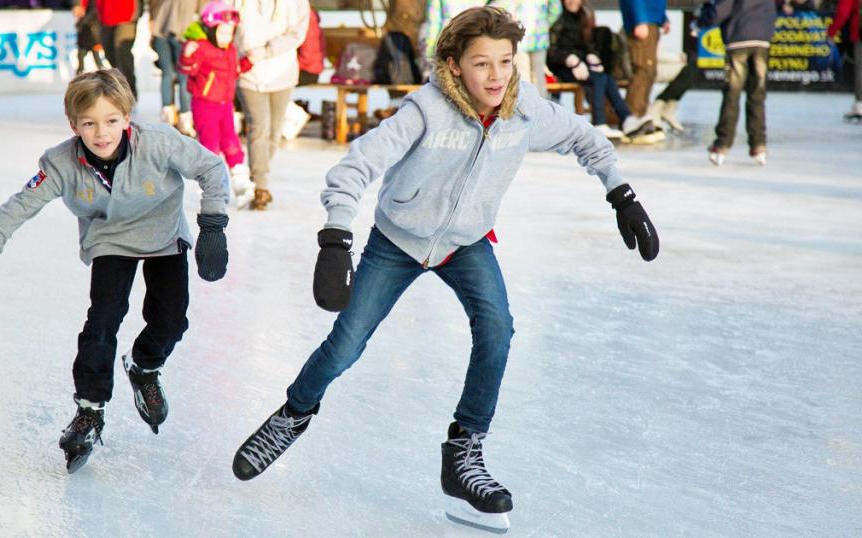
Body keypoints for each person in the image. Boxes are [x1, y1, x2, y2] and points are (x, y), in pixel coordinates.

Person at [230, 6, 658, 534]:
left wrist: (620, 192)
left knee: (497, 330)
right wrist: (337, 238)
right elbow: (355, 165)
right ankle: (292, 414)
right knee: (346, 344)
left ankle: (464, 451)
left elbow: (584, 138)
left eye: (505, 61)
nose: (497, 75)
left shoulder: (524, 111)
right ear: (454, 66)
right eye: (482, 64)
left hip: (466, 242)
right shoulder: (425, 110)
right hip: (397, 240)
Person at [0, 69, 231, 473]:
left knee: (171, 320)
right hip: (109, 240)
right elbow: (20, 205)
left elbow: (212, 169)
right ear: (74, 125)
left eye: (110, 121)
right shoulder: (59, 163)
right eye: (89, 123)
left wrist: (212, 224)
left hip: (163, 236)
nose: (101, 133)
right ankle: (89, 409)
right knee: (102, 322)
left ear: (127, 117)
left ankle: (144, 365)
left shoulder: (159, 142)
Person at [181, 0, 256, 208]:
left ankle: (242, 184)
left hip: (225, 106)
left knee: (232, 143)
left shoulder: (231, 50)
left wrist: (246, 63)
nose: (226, 37)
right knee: (211, 146)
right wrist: (188, 55)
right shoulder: (202, 48)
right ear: (210, 29)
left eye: (230, 33)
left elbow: (233, 72)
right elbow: (188, 69)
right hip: (205, 106)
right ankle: (215, 189)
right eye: (222, 33)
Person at [235, 0, 309, 210]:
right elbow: (220, 17)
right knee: (259, 128)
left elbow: (297, 33)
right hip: (248, 71)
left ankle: (259, 171)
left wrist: (267, 50)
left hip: (282, 71)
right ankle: (260, 186)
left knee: (275, 133)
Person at [548, 0, 654, 139]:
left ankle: (627, 118)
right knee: (599, 79)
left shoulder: (583, 15)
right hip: (561, 66)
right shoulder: (557, 17)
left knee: (607, 78)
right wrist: (570, 60)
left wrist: (592, 56)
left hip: (580, 63)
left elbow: (585, 44)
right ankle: (599, 123)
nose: (572, 1)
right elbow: (552, 50)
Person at [698, 0, 776, 165]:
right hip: (762, 39)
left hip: (739, 38)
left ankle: (722, 144)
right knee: (757, 93)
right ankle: (759, 144)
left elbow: (720, 10)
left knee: (732, 93)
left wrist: (703, 17)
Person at [619, 0, 668, 143]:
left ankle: (641, 116)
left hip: (651, 20)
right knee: (643, 69)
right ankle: (632, 119)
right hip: (643, 21)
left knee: (650, 71)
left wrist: (662, 17)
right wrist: (639, 20)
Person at [74, 0, 141, 99]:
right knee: (109, 54)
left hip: (127, 16)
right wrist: (79, 4)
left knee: (122, 52)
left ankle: (129, 93)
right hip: (104, 17)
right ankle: (120, 88)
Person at [149, 0, 198, 135]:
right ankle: (185, 119)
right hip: (182, 34)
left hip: (161, 30)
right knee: (184, 77)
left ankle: (168, 117)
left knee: (167, 74)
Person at [503, 0, 561, 97]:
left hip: (519, 38)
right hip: (539, 37)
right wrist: (545, 24)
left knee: (522, 78)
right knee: (539, 78)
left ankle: (524, 109)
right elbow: (556, 9)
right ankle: (541, 109)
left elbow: (506, 8)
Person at [828, 0, 861, 122]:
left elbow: (843, 11)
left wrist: (832, 31)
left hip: (859, 32)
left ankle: (860, 105)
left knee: (860, 70)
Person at [73, 0, 106, 74]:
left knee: (97, 58)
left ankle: (104, 76)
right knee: (81, 56)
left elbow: (93, 12)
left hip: (93, 33)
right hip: (84, 34)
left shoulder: (93, 4)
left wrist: (81, 23)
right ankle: (80, 74)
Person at [297, 5, 324, 85]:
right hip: (310, 71)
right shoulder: (312, 21)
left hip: (307, 72)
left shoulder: (308, 24)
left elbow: (307, 55)